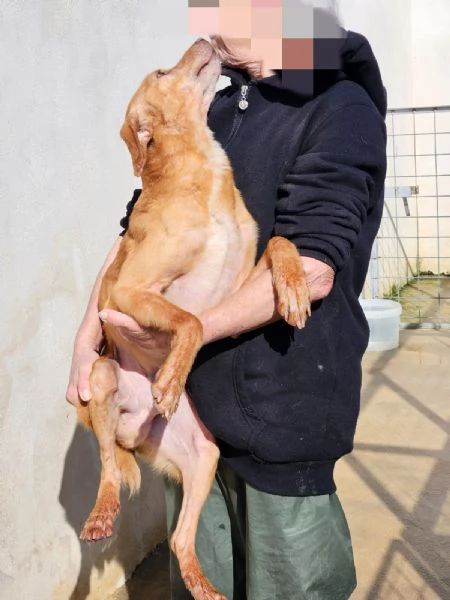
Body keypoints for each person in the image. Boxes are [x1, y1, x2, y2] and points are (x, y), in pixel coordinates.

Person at [67, 5, 387, 599]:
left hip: (281, 424)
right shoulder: (217, 105)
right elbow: (137, 224)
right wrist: (87, 341)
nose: (207, 17)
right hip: (192, 411)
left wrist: (181, 335)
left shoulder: (340, 107)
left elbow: (313, 269)